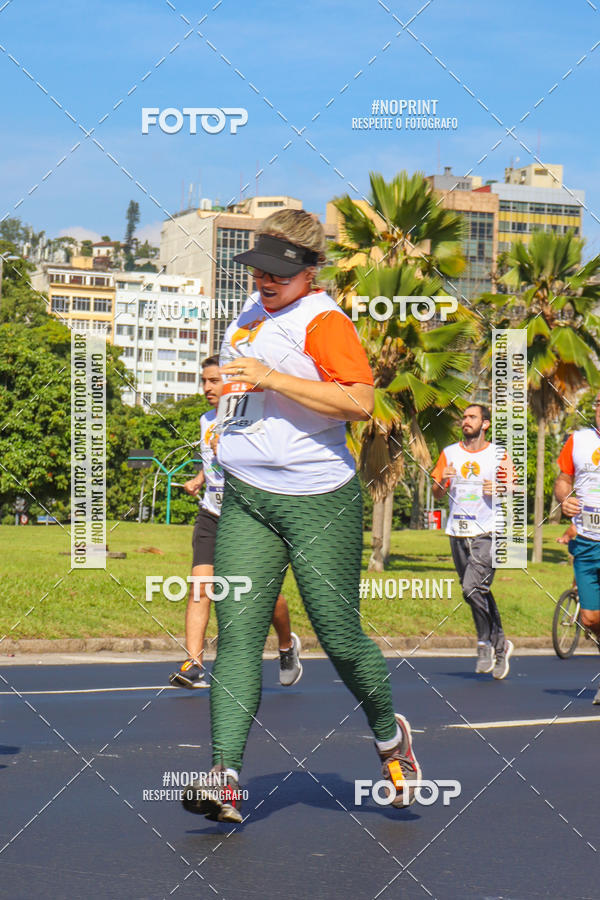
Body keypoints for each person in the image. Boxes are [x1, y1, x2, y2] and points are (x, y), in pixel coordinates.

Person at [182, 210, 421, 824]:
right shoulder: (246, 318)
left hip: (319, 501)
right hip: (247, 499)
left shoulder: (324, 320)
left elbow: (359, 401)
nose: (263, 280)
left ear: (311, 272)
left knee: (338, 635)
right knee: (238, 634)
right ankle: (224, 777)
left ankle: (390, 737)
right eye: (258, 269)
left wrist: (272, 377)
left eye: (278, 273)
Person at [169, 356, 303, 690]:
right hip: (212, 514)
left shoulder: (252, 418)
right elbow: (211, 458)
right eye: (203, 381)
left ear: (230, 384)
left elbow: (269, 462)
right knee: (200, 586)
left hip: (249, 517)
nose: (206, 388)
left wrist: (232, 447)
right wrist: (200, 478)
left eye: (213, 381)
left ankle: (287, 645)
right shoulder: (205, 420)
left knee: (262, 595)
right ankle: (194, 663)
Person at [431, 404, 514, 679]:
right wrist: (443, 481)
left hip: (488, 532)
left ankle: (491, 645)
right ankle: (491, 644)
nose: (465, 421)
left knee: (470, 588)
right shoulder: (450, 453)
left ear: (485, 423)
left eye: (471, 417)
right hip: (457, 531)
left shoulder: (498, 454)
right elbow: (437, 494)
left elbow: (514, 488)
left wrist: (500, 488)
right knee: (477, 591)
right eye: (464, 417)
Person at [554, 395, 600, 703]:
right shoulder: (578, 440)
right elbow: (562, 479)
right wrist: (563, 499)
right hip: (586, 540)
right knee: (589, 618)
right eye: (599, 403)